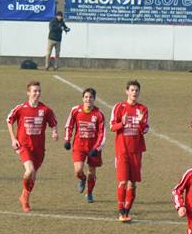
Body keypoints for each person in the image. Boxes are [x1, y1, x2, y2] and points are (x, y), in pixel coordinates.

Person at [6, 81, 58, 212]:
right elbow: (9, 120)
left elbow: (53, 123)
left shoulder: (45, 110)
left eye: (39, 91)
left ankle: (25, 197)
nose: (37, 93)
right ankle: (24, 199)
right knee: (29, 171)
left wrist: (55, 132)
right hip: (23, 145)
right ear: (28, 92)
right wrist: (13, 139)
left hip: (39, 148)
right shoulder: (21, 108)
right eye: (34, 91)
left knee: (33, 176)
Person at [110, 80, 149, 222]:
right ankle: (121, 211)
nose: (134, 93)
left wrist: (140, 122)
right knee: (122, 181)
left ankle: (127, 210)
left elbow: (145, 130)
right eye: (132, 90)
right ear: (127, 91)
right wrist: (123, 123)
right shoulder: (119, 107)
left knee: (132, 183)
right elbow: (112, 127)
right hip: (122, 150)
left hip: (136, 150)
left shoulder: (143, 109)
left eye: (136, 90)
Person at [64, 87, 106, 203]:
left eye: (91, 97)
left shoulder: (99, 114)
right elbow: (69, 125)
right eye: (86, 97)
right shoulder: (75, 111)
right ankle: (82, 179)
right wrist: (67, 139)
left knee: (92, 172)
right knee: (78, 170)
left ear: (94, 99)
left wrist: (97, 148)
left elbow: (102, 133)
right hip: (79, 146)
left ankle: (89, 193)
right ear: (83, 98)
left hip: (93, 147)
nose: (88, 99)